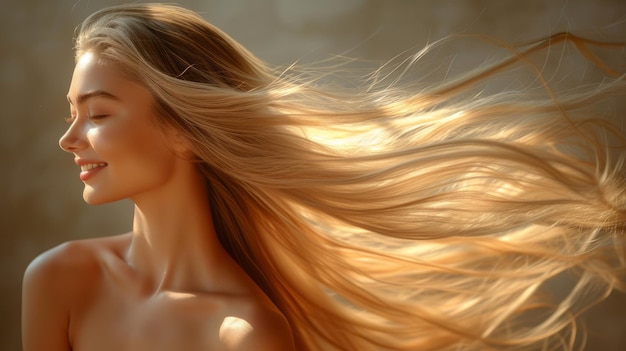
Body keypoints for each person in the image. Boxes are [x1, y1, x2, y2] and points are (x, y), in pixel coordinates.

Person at [21, 3, 625, 351]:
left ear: (185, 128)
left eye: (97, 114)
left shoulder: (247, 333)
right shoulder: (59, 281)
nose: (68, 138)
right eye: (71, 112)